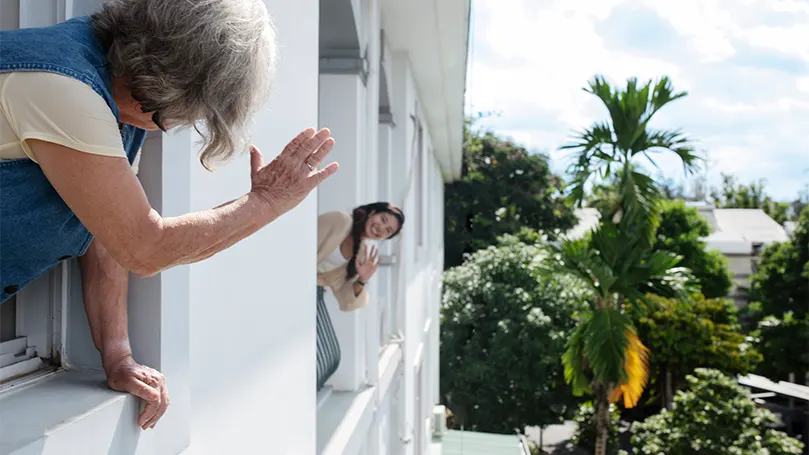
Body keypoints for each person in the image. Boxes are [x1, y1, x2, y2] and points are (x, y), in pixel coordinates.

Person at [0, 0, 338, 430]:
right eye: (190, 113)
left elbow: (106, 231)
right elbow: (142, 246)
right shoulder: (65, 89)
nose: (180, 125)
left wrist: (117, 354)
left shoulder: (112, 89)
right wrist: (265, 204)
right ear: (173, 82)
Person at [317, 203, 405, 311]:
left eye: (388, 230)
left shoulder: (361, 255)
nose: (381, 228)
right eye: (383, 219)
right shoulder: (341, 220)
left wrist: (362, 280)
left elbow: (345, 303)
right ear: (372, 213)